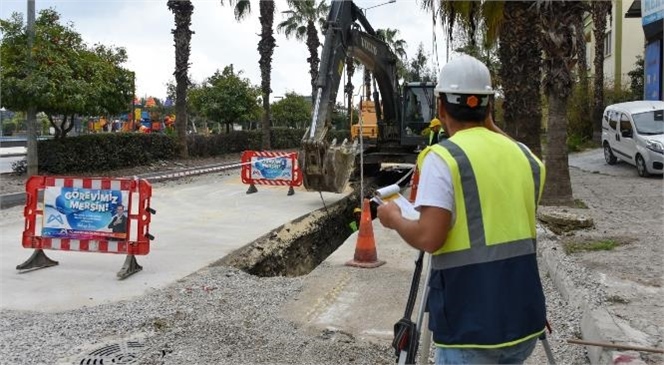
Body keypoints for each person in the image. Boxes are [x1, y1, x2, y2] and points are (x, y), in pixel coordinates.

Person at [377, 54, 547, 365]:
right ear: (489, 107)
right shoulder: (527, 158)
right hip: (524, 321)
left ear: (440, 107)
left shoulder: (443, 158)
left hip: (472, 328)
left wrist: (395, 218)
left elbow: (430, 238)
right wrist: (490, 125)